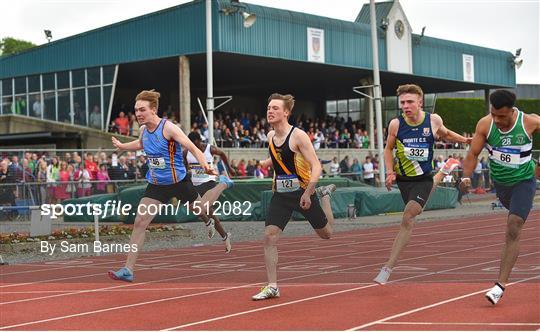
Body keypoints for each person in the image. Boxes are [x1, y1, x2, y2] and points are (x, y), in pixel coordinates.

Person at [108, 90, 220, 282]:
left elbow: (192, 147)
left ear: (153, 110)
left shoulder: (169, 128)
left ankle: (210, 215)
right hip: (157, 184)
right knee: (140, 222)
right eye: (136, 110)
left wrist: (206, 166)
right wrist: (123, 146)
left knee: (200, 209)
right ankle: (128, 269)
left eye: (142, 110)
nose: (138, 114)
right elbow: (140, 143)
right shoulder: (143, 130)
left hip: (178, 182)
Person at [373, 84, 471, 285]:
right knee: (418, 210)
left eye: (410, 102)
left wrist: (465, 140)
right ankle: (443, 172)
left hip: (423, 179)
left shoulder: (433, 120)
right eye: (402, 103)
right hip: (403, 179)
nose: (405, 106)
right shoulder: (396, 124)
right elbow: (388, 150)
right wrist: (390, 172)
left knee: (408, 216)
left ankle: (387, 268)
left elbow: (445, 133)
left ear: (420, 102)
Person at [251, 93, 336, 301]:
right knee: (269, 236)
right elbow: (278, 157)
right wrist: (264, 163)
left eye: (275, 108)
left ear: (286, 112)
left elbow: (316, 166)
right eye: (269, 107)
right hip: (281, 194)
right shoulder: (271, 137)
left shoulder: (299, 136)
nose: (270, 111)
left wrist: (309, 192)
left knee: (326, 234)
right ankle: (272, 286)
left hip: (302, 192)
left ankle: (325, 197)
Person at [459, 89, 540, 305]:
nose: (498, 120)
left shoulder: (530, 122)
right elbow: (472, 154)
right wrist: (466, 178)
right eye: (494, 114)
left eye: (502, 116)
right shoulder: (486, 125)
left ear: (512, 111)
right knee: (512, 220)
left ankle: (499, 286)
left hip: (524, 182)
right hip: (501, 185)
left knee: (513, 226)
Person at [184, 131, 235, 253]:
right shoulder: (186, 152)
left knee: (202, 208)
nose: (192, 145)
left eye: (193, 143)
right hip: (195, 184)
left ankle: (209, 223)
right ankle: (224, 236)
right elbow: (185, 166)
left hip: (209, 182)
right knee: (206, 212)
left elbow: (222, 153)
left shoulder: (209, 148)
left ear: (198, 141)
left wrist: (229, 168)